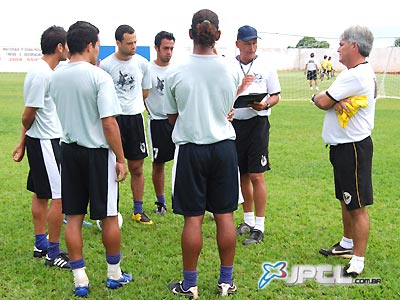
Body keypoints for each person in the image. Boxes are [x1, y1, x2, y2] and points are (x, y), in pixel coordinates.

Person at [49, 21, 132, 297]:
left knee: (73, 217)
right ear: (89, 45)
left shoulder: (57, 76)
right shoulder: (99, 77)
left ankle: (80, 279)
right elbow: (109, 123)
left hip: (69, 152)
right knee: (109, 216)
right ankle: (114, 275)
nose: (98, 50)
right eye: (97, 44)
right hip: (98, 154)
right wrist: (120, 158)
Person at [165, 9, 240, 298]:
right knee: (225, 216)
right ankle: (225, 282)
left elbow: (172, 116)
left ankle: (190, 284)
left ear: (189, 34)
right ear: (218, 36)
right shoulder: (230, 69)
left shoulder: (176, 71)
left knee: (193, 219)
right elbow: (226, 110)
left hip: (191, 149)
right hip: (223, 149)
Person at [311, 25, 376, 278]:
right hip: (343, 147)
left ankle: (357, 260)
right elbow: (330, 101)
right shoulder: (358, 72)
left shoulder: (354, 75)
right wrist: (331, 100)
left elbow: (323, 101)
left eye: (341, 43)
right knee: (346, 198)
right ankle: (346, 244)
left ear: (354, 46)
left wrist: (322, 97)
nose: (337, 48)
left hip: (353, 148)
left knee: (357, 205)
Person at [12, 25, 70, 269]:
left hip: (42, 140)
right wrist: (25, 139)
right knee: (58, 197)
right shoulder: (42, 74)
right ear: (59, 47)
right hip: (46, 142)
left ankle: (40, 244)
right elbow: (28, 114)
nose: (69, 49)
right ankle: (52, 252)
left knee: (41, 193)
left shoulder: (46, 70)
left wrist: (24, 141)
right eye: (67, 45)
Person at [232, 25, 281, 245]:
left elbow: (276, 96)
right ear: (237, 44)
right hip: (236, 125)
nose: (252, 47)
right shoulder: (229, 65)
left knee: (257, 175)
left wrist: (265, 104)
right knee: (242, 173)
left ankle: (259, 226)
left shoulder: (266, 64)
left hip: (258, 123)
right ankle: (248, 220)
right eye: (247, 43)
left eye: (254, 43)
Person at [100, 24, 153, 225]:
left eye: (135, 42)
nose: (133, 46)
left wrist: (132, 104)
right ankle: (111, 211)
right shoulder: (106, 65)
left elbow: (146, 91)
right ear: (118, 43)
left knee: (137, 167)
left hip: (135, 119)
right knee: (112, 166)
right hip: (114, 120)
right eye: (129, 43)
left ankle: (138, 211)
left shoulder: (142, 63)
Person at [145, 31, 176, 215]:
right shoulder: (147, 69)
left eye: (172, 48)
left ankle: (184, 198)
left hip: (177, 121)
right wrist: (150, 109)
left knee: (185, 160)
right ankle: (161, 202)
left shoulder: (177, 69)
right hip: (157, 122)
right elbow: (141, 94)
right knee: (159, 163)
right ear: (156, 48)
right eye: (165, 48)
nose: (169, 52)